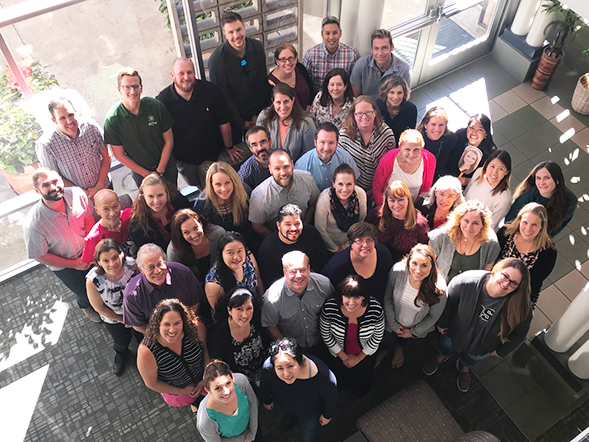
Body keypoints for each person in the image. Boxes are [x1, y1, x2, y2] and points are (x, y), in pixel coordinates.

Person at [423, 258, 532, 393]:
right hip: (454, 332)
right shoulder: (467, 281)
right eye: (505, 276)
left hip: (483, 346)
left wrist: (501, 351)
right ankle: (442, 356)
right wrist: (443, 323)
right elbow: (449, 300)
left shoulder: (521, 307)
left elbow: (520, 334)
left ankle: (464, 367)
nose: (505, 284)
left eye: (513, 283)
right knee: (446, 346)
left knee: (471, 358)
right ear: (496, 270)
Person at [23, 168, 100, 322]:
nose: (53, 187)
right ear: (37, 191)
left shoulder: (77, 194)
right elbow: (40, 256)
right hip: (67, 266)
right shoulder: (34, 224)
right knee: (84, 291)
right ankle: (85, 305)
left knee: (100, 282)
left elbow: (88, 217)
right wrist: (74, 264)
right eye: (45, 185)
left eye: (55, 181)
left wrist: (90, 248)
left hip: (87, 252)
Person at [156, 57, 244, 189]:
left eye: (190, 72)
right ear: (172, 75)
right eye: (181, 73)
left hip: (214, 153)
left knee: (218, 184)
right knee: (195, 184)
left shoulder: (210, 91)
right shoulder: (163, 101)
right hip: (186, 160)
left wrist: (229, 147)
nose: (186, 77)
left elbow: (223, 121)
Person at [104, 67, 176, 187]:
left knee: (173, 198)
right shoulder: (112, 119)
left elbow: (169, 140)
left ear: (141, 88)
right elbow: (119, 155)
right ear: (119, 89)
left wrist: (160, 170)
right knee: (151, 203)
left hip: (166, 165)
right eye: (127, 87)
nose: (132, 91)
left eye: (136, 86)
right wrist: (147, 174)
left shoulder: (155, 106)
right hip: (140, 172)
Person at [209, 11, 271, 145]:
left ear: (244, 26)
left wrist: (256, 115)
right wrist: (241, 123)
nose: (236, 36)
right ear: (224, 34)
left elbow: (261, 83)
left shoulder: (256, 47)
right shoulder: (217, 61)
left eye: (238, 29)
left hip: (257, 112)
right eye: (231, 32)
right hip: (232, 118)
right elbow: (223, 97)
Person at [137, 299, 208, 413]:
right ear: (158, 323)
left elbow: (205, 351)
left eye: (177, 323)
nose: (172, 329)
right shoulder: (146, 351)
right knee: (195, 402)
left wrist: (206, 377)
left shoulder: (196, 329)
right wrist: (181, 391)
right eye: (166, 324)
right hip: (178, 390)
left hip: (204, 379)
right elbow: (152, 383)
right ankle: (195, 404)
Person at [260, 338, 338, 442]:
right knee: (286, 416)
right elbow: (265, 385)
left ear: (300, 361)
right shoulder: (268, 368)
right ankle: (289, 420)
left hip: (309, 413)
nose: (286, 374)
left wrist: (327, 415)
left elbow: (330, 398)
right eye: (280, 368)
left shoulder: (323, 378)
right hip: (283, 405)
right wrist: (267, 401)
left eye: (290, 366)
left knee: (309, 437)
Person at [383, 244, 447, 369]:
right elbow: (388, 297)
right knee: (386, 341)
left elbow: (433, 317)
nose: (418, 270)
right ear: (408, 262)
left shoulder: (439, 289)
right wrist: (393, 324)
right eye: (414, 263)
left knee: (403, 342)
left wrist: (413, 332)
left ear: (432, 267)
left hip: (414, 328)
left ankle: (399, 349)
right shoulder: (398, 271)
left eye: (424, 265)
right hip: (392, 323)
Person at [320, 275, 384, 396]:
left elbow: (377, 337)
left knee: (362, 381)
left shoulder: (375, 309)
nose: (351, 302)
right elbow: (326, 335)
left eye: (357, 297)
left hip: (365, 356)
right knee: (339, 379)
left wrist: (359, 358)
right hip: (338, 356)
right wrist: (344, 357)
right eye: (347, 296)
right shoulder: (330, 308)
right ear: (341, 295)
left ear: (363, 296)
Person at [36, 97, 111, 199]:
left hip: (104, 187)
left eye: (71, 115)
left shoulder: (91, 127)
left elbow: (106, 157)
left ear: (75, 112)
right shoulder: (46, 144)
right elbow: (54, 178)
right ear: (54, 121)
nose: (69, 121)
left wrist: (99, 186)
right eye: (62, 118)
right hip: (75, 197)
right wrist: (82, 193)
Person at [261, 251, 334, 353]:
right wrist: (287, 349)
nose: (299, 276)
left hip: (324, 343)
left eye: (302, 270)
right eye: (293, 271)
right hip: (294, 350)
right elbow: (271, 326)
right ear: (284, 272)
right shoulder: (272, 299)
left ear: (309, 269)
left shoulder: (324, 285)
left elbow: (334, 310)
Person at [86, 239, 140, 375]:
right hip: (114, 317)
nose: (112, 264)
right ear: (98, 262)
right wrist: (123, 319)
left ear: (121, 254)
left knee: (143, 336)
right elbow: (100, 308)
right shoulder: (93, 281)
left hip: (138, 311)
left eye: (115, 257)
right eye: (106, 261)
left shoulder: (132, 265)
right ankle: (121, 354)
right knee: (121, 341)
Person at [123, 244, 204, 334]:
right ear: (141, 269)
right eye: (151, 267)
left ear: (165, 262)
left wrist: (186, 324)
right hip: (157, 335)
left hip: (187, 324)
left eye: (159, 264)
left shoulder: (183, 273)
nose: (157, 271)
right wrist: (161, 337)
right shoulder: (132, 295)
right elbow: (138, 325)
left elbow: (195, 301)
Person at [249, 149, 320, 237]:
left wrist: (304, 226)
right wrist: (278, 238)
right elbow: (257, 225)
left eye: (286, 167)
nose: (283, 173)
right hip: (276, 236)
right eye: (277, 168)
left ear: (292, 165)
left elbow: (313, 204)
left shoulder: (307, 179)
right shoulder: (259, 195)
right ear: (270, 169)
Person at [497, 203, 557, 306]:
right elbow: (490, 261)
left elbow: (533, 283)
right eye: (525, 222)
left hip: (520, 295)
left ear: (542, 226)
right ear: (519, 220)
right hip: (495, 283)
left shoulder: (548, 252)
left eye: (534, 225)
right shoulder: (505, 233)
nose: (528, 229)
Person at [207, 288, 269, 386]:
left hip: (265, 372)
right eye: (239, 309)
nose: (245, 315)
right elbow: (218, 363)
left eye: (249, 308)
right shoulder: (219, 333)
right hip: (239, 382)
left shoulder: (256, 320)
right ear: (229, 310)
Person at [322, 222, 394, 306]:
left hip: (379, 311)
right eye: (359, 240)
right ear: (351, 243)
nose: (365, 245)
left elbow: (390, 285)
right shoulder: (336, 266)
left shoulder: (383, 254)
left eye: (369, 240)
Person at [257, 204, 330, 286]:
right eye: (288, 224)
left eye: (297, 224)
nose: (293, 228)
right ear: (278, 225)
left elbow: (323, 262)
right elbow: (270, 281)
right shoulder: (267, 248)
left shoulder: (312, 234)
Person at [428, 200, 500, 282]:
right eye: (466, 221)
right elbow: (429, 261)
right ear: (459, 220)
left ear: (483, 225)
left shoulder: (490, 242)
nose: (469, 227)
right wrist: (439, 281)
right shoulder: (443, 235)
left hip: (468, 289)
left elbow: (487, 270)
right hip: (440, 285)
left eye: (475, 223)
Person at [338, 95, 396, 193]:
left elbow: (391, 164)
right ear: (354, 115)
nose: (364, 117)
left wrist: (378, 188)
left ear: (375, 113)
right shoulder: (344, 135)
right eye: (359, 113)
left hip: (381, 186)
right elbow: (341, 165)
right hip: (354, 187)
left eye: (368, 112)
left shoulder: (387, 134)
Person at [505, 161, 576, 236]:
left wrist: (541, 242)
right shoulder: (529, 193)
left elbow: (561, 224)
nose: (541, 183)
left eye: (547, 178)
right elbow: (510, 221)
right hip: (517, 233)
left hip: (540, 239)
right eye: (538, 178)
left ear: (557, 180)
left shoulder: (570, 200)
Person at [197, 360, 260, 442]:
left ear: (233, 378)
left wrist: (251, 434)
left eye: (228, 383)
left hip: (252, 430)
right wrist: (245, 439)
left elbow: (253, 404)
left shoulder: (241, 381)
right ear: (208, 390)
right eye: (218, 388)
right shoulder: (205, 422)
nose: (226, 392)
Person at [368, 180, 430, 263]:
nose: (396, 205)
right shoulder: (376, 215)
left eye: (400, 200)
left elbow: (424, 252)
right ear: (386, 201)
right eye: (392, 200)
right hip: (375, 262)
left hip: (403, 267)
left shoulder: (419, 224)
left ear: (408, 199)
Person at [194, 162, 254, 243]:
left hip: (249, 239)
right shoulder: (202, 204)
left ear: (234, 181)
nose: (223, 189)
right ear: (211, 185)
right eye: (218, 184)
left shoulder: (244, 191)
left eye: (227, 183)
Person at [372, 129, 436, 204]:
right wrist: (382, 209)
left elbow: (425, 189)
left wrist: (413, 209)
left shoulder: (429, 160)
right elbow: (377, 188)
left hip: (413, 205)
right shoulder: (388, 159)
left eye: (416, 150)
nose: (411, 154)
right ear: (400, 147)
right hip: (388, 204)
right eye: (407, 149)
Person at [128, 173, 191, 250]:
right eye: (151, 196)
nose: (156, 201)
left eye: (160, 195)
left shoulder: (179, 202)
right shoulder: (138, 225)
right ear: (143, 197)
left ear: (167, 193)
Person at [205, 232, 264, 312]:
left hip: (255, 308)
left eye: (239, 251)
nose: (236, 257)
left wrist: (263, 306)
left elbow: (258, 279)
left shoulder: (248, 258)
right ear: (221, 254)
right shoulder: (214, 284)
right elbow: (219, 313)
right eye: (230, 253)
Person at [315, 164, 367, 253]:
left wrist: (348, 245)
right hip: (330, 245)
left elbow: (360, 221)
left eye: (349, 184)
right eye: (340, 184)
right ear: (333, 184)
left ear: (354, 184)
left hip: (353, 243)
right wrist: (336, 249)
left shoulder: (360, 194)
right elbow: (320, 229)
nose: (344, 189)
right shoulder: (324, 200)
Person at [256, 83, 316, 162]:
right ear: (273, 102)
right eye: (278, 102)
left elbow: (309, 155)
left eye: (286, 101)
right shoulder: (264, 117)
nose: (283, 107)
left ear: (293, 100)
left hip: (297, 169)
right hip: (267, 167)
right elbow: (258, 146)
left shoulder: (306, 123)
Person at [294, 122, 360, 191]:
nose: (326, 148)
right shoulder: (302, 165)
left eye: (331, 143)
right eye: (322, 142)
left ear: (337, 143)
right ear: (315, 142)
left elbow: (354, 185)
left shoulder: (346, 159)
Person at [302, 16, 360, 92]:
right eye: (327, 33)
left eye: (335, 33)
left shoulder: (352, 55)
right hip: (317, 99)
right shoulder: (311, 55)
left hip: (342, 99)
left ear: (340, 33)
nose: (331, 37)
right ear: (322, 35)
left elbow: (355, 84)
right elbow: (304, 81)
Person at [168, 209, 227, 283]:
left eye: (195, 228)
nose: (194, 235)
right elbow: (177, 280)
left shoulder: (218, 234)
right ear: (180, 234)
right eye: (186, 232)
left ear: (201, 223)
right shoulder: (174, 250)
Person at [350, 29, 411, 98]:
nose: (380, 53)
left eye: (384, 48)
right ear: (372, 50)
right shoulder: (361, 65)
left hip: (390, 107)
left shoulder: (403, 69)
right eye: (376, 48)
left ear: (392, 47)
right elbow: (355, 96)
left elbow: (404, 97)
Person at [81, 189, 135, 263]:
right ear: (97, 211)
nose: (112, 213)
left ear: (119, 203)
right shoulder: (93, 239)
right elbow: (91, 261)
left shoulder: (130, 216)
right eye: (106, 209)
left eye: (115, 206)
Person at [442, 113, 496, 186]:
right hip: (445, 177)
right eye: (471, 128)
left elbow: (488, 176)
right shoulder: (458, 136)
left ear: (486, 134)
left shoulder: (491, 153)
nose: (474, 133)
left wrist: (468, 181)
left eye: (480, 130)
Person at [464, 150, 512, 229]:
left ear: (506, 172)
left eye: (501, 169)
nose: (494, 173)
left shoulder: (504, 198)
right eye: (492, 166)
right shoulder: (479, 173)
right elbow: (464, 195)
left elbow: (491, 227)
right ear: (487, 165)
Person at [268, 43, 315, 110]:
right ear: (277, 61)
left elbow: (311, 92)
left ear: (296, 59)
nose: (287, 63)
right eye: (283, 59)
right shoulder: (269, 85)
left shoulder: (300, 68)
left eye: (291, 58)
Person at [417, 106, 457, 180]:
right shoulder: (416, 138)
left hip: (438, 178)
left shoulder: (451, 139)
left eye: (441, 125)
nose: (437, 129)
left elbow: (451, 163)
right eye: (433, 124)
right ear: (425, 125)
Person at [376, 76, 417, 145]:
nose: (395, 97)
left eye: (399, 93)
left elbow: (410, 133)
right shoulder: (376, 106)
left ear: (404, 94)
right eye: (392, 92)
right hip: (380, 144)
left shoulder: (411, 109)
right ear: (386, 93)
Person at [238, 126, 272, 190]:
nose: (260, 148)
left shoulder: (281, 157)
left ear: (270, 142)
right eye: (254, 145)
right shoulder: (246, 173)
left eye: (263, 142)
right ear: (250, 149)